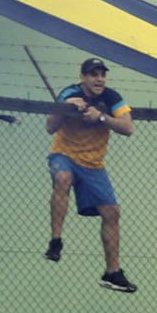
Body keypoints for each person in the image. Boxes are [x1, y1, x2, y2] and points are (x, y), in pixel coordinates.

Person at [44, 58, 137, 293]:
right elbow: (50, 127)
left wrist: (101, 117)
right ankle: (56, 241)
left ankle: (112, 273)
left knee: (112, 212)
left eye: (102, 74)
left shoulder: (112, 97)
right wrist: (66, 108)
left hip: (94, 164)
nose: (99, 79)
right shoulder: (70, 92)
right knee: (62, 178)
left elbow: (128, 128)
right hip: (64, 154)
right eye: (94, 74)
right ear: (83, 77)